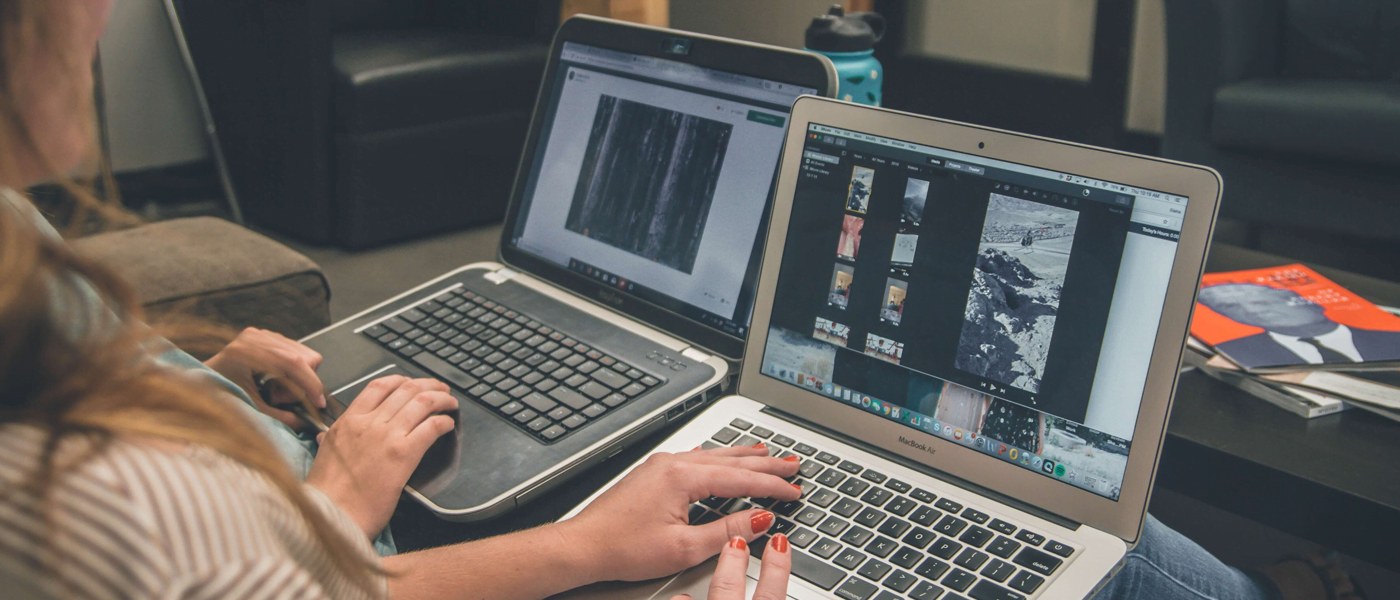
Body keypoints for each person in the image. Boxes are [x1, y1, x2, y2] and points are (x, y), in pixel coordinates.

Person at [0, 2, 1364, 599]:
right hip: (327, 509)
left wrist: (172, 343)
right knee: (1120, 548)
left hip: (305, 462)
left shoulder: (18, 260)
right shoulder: (104, 507)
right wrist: (354, 508)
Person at [1198, 283, 1400, 367]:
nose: (1251, 310)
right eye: (1229, 306)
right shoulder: (1235, 354)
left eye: (1262, 301)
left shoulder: (1393, 340)